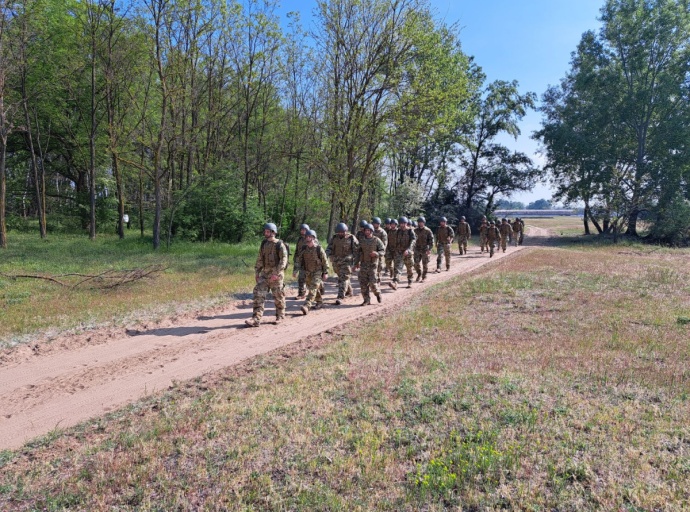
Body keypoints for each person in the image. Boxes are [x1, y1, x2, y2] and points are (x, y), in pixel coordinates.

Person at [245, 223, 289, 327]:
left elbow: (284, 260)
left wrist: (277, 273)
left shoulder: (280, 244)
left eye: (268, 231)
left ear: (273, 232)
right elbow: (260, 258)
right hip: (265, 274)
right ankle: (256, 318)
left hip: (276, 275)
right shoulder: (264, 244)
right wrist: (257, 272)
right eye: (265, 231)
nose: (266, 233)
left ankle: (280, 316)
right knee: (258, 294)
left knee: (278, 296)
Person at [294, 230, 329, 315]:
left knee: (312, 288)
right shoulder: (304, 248)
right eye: (306, 237)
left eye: (309, 237)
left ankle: (307, 305)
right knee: (312, 288)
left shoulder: (318, 249)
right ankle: (319, 301)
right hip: (308, 272)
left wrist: (325, 272)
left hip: (317, 272)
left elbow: (325, 261)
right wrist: (296, 270)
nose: (308, 239)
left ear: (313, 238)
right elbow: (299, 260)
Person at [326, 222, 359, 305]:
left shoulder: (351, 238)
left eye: (343, 232)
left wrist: (356, 262)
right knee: (342, 276)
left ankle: (340, 297)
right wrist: (326, 256)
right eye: (339, 232)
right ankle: (349, 290)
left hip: (347, 261)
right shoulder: (334, 238)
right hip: (336, 261)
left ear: (346, 231)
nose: (341, 233)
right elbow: (329, 248)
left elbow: (357, 250)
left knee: (343, 278)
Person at [354, 223, 385, 305]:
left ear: (372, 231)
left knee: (373, 284)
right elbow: (358, 252)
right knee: (363, 283)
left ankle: (378, 294)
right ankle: (366, 300)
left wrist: (376, 253)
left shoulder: (376, 240)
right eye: (366, 230)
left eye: (369, 230)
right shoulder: (362, 240)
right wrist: (356, 263)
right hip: (364, 264)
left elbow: (383, 251)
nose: (367, 232)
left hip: (373, 265)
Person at [389, 217, 416, 289]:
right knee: (397, 268)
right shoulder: (398, 231)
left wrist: (409, 249)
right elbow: (396, 241)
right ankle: (395, 282)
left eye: (403, 223)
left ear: (406, 223)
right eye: (401, 223)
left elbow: (413, 241)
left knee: (409, 268)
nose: (402, 225)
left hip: (407, 252)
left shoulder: (410, 231)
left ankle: (410, 281)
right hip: (399, 252)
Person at [413, 216, 434, 282]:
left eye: (422, 222)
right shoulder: (415, 230)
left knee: (425, 264)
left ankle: (424, 276)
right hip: (417, 249)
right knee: (416, 263)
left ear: (424, 222)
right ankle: (419, 274)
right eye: (419, 222)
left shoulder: (428, 231)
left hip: (425, 249)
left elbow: (431, 240)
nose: (420, 223)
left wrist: (429, 249)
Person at [293, 223, 310, 299]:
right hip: (302, 262)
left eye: (304, 230)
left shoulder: (312, 239)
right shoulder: (299, 240)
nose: (303, 231)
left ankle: (320, 288)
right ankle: (301, 294)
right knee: (301, 278)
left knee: (311, 279)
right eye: (301, 230)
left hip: (311, 263)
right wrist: (296, 261)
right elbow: (297, 251)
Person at [371, 217, 388, 284]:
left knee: (379, 266)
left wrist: (381, 252)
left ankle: (378, 278)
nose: (374, 225)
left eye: (375, 224)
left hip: (379, 252)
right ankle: (373, 280)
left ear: (379, 224)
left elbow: (385, 243)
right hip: (372, 251)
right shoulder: (371, 231)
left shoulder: (383, 232)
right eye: (373, 224)